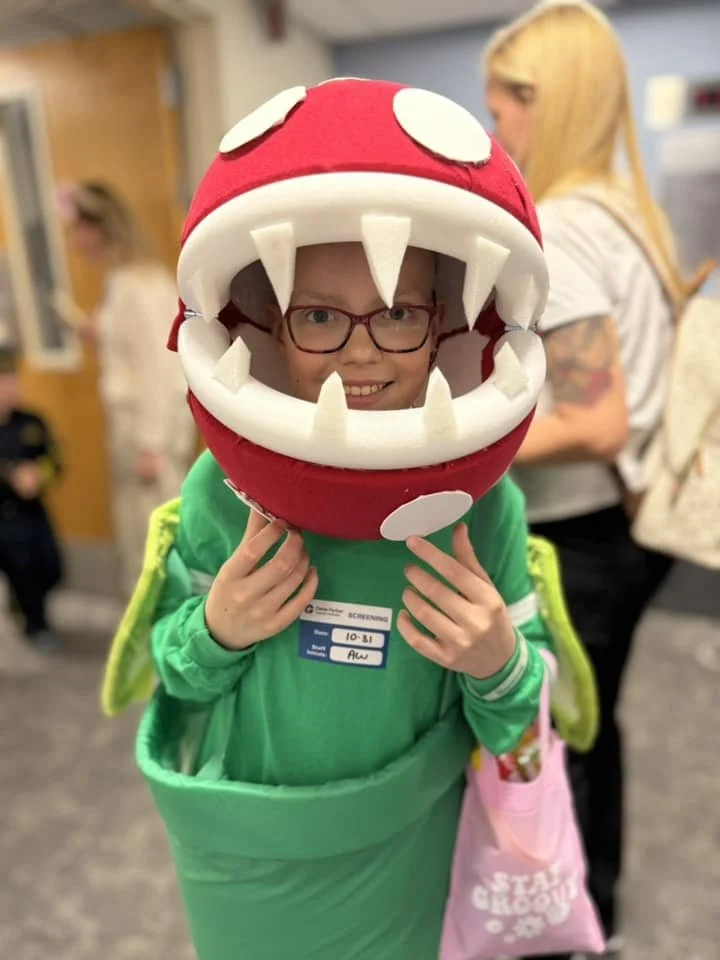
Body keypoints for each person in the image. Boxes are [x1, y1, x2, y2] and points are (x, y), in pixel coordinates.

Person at [101, 79, 591, 960]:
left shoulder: (489, 508)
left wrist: (500, 664)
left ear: (440, 320)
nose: (361, 350)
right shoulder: (223, 493)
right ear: (271, 326)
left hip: (411, 855)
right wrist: (215, 631)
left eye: (398, 314)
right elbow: (175, 685)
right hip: (261, 860)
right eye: (320, 316)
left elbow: (522, 740)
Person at [483, 2, 707, 954]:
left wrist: (452, 439)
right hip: (626, 531)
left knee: (554, 745)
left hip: (577, 539)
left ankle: (566, 930)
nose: (494, 133)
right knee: (590, 725)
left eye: (501, 112)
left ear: (545, 104)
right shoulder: (629, 215)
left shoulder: (565, 225)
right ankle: (596, 914)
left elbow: (592, 416)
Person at [58, 181, 195, 596]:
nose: (74, 239)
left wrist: (151, 443)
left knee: (155, 547)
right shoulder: (122, 283)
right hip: (134, 432)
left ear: (101, 228)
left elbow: (159, 367)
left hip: (148, 437)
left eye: (79, 227)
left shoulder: (138, 285)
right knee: (140, 542)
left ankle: (161, 650)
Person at [0, 337, 62, 651]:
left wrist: (39, 475)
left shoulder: (32, 422)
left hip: (32, 512)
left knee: (50, 568)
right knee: (21, 569)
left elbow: (56, 462)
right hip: (3, 515)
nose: (9, 388)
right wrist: (11, 476)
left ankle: (24, 605)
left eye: (12, 380)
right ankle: (35, 623)